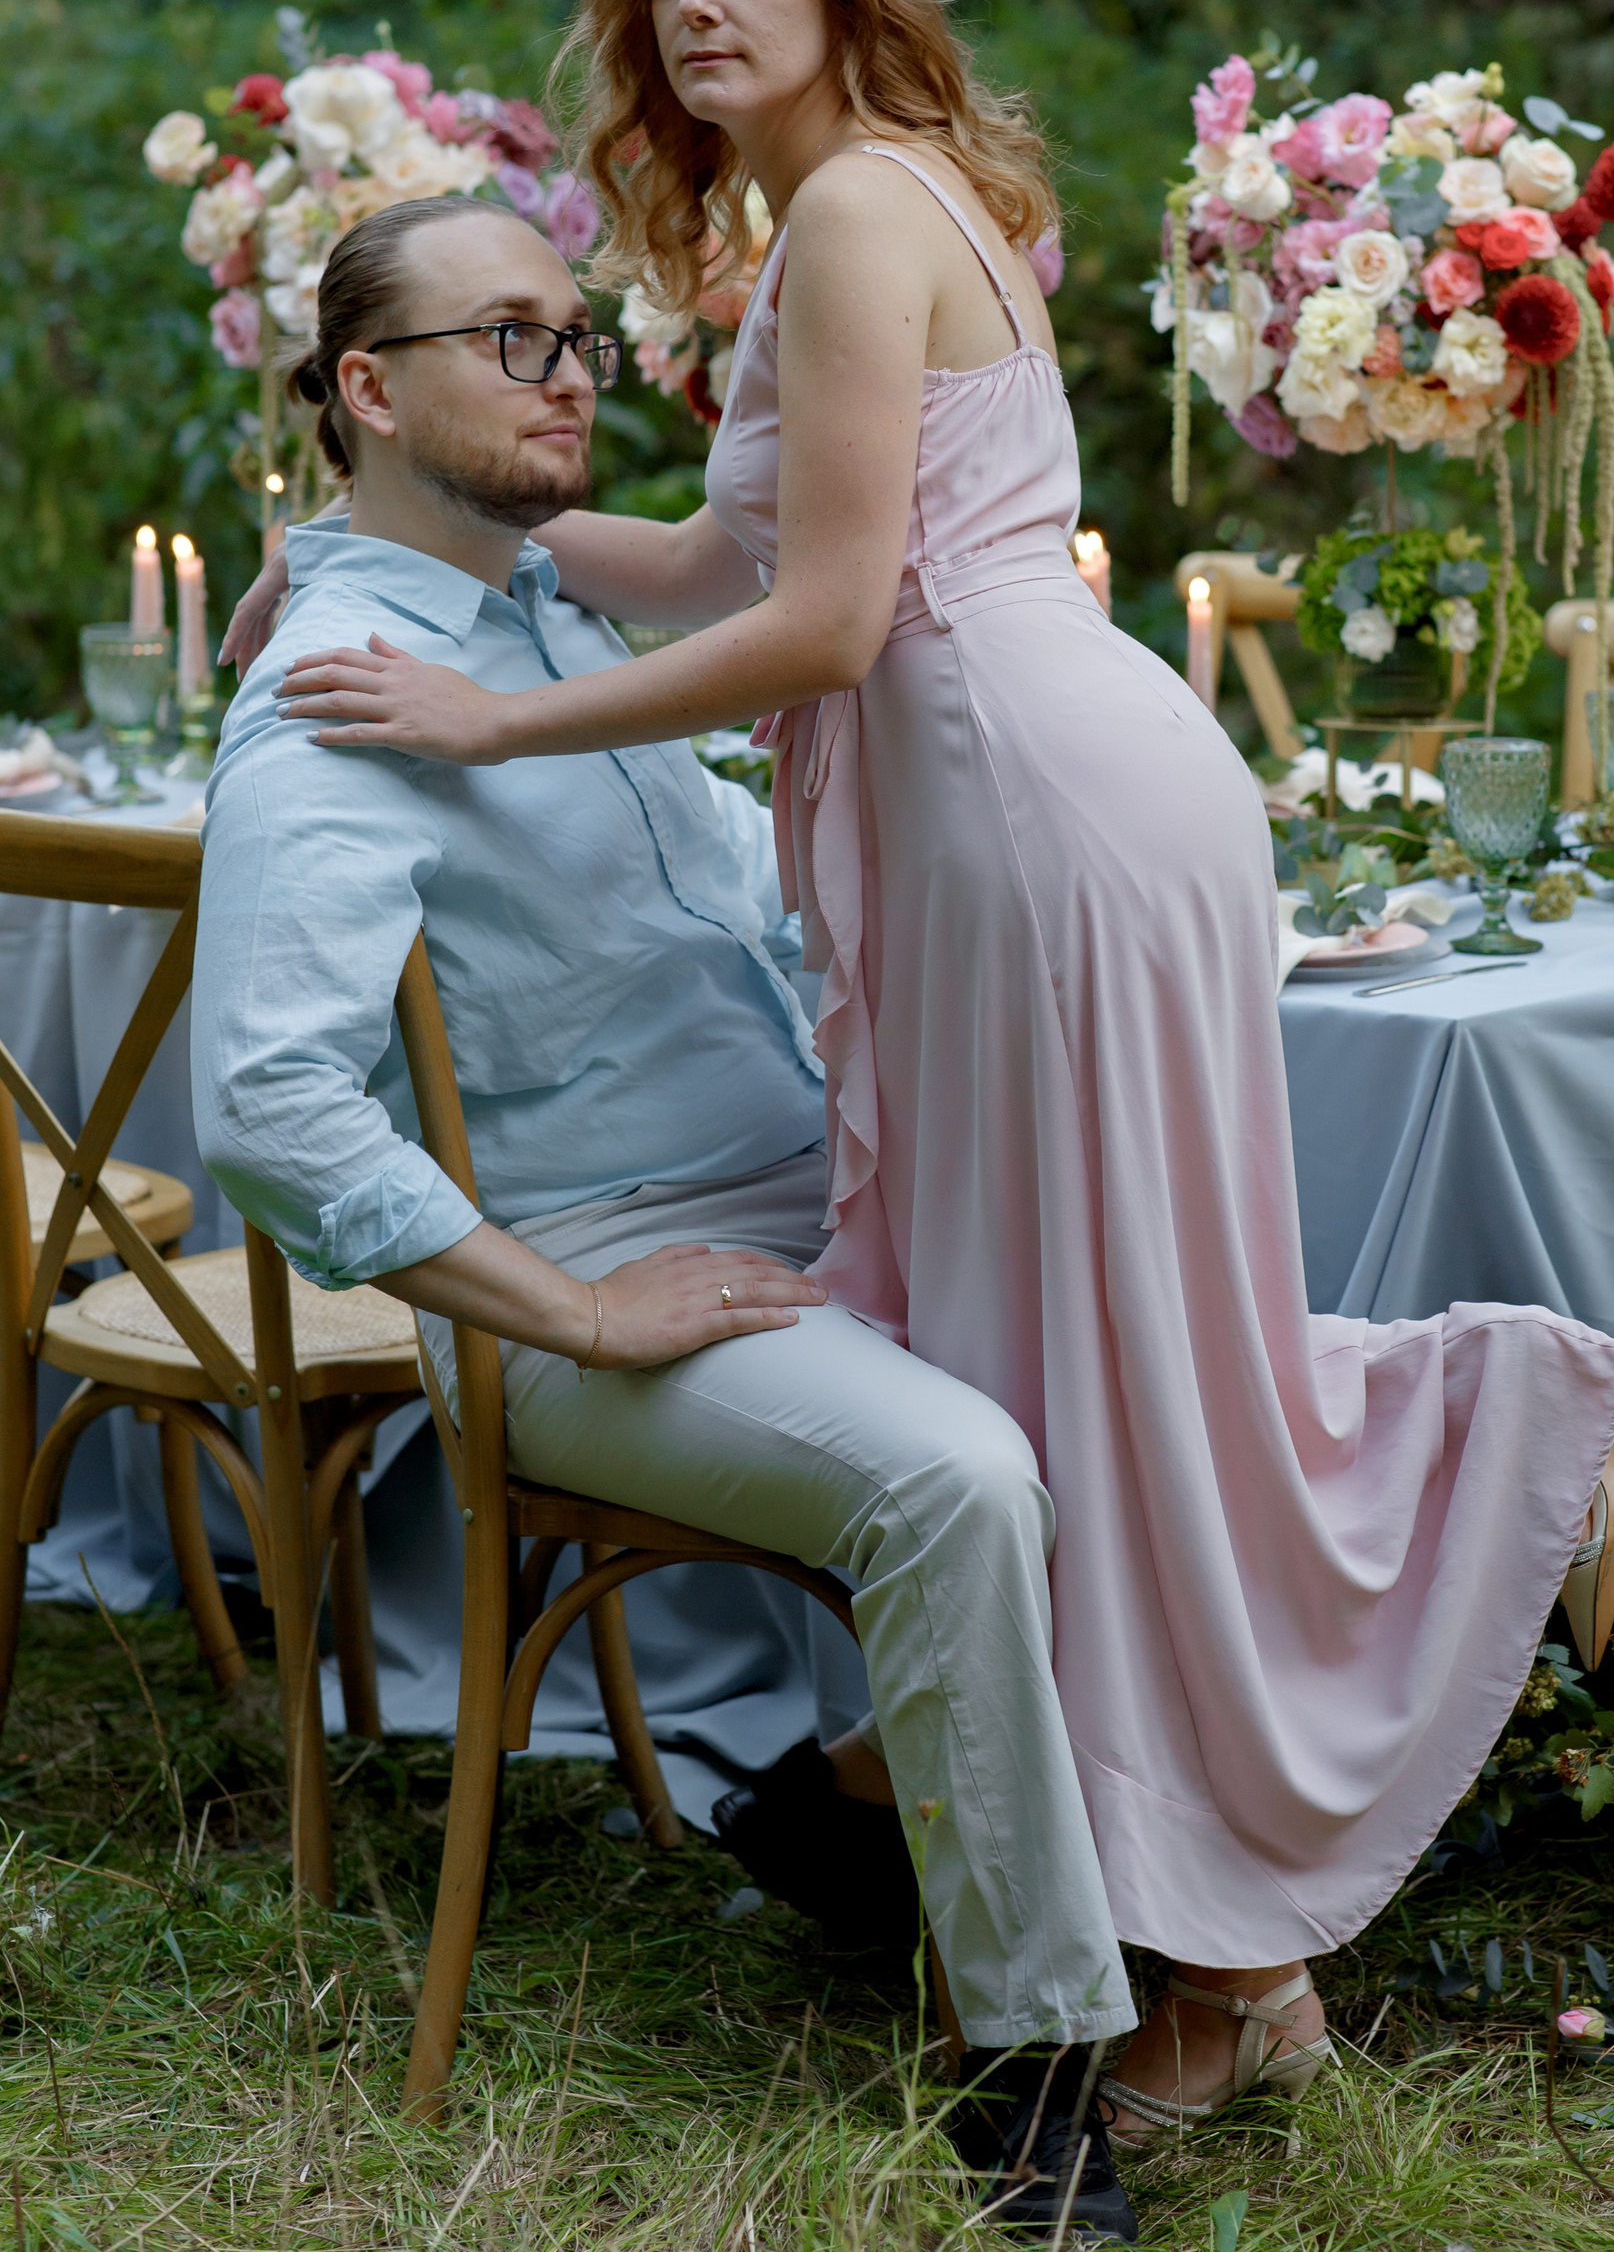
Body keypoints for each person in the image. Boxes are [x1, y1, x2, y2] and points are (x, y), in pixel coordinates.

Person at [266, 0, 1614, 2151]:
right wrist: (403, 537)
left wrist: (488, 715)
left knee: (1086, 1383)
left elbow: (821, 624)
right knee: (1091, 1361)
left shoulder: (854, 215)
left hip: (1033, 817)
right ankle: (1194, 1931)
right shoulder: (887, 195)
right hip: (1052, 795)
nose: (699, 4)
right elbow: (724, 555)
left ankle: (1233, 1945)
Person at [195, 191, 1147, 2246]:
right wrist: (570, 1314)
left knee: (1148, 1338)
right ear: (369, 389)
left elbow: (753, 845)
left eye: (575, 337)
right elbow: (264, 1099)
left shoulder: (545, 618)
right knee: (961, 1480)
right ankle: (1040, 2071)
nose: (569, 379)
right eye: (509, 340)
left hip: (817, 1198)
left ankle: (879, 1819)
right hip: (598, 1278)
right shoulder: (342, 692)